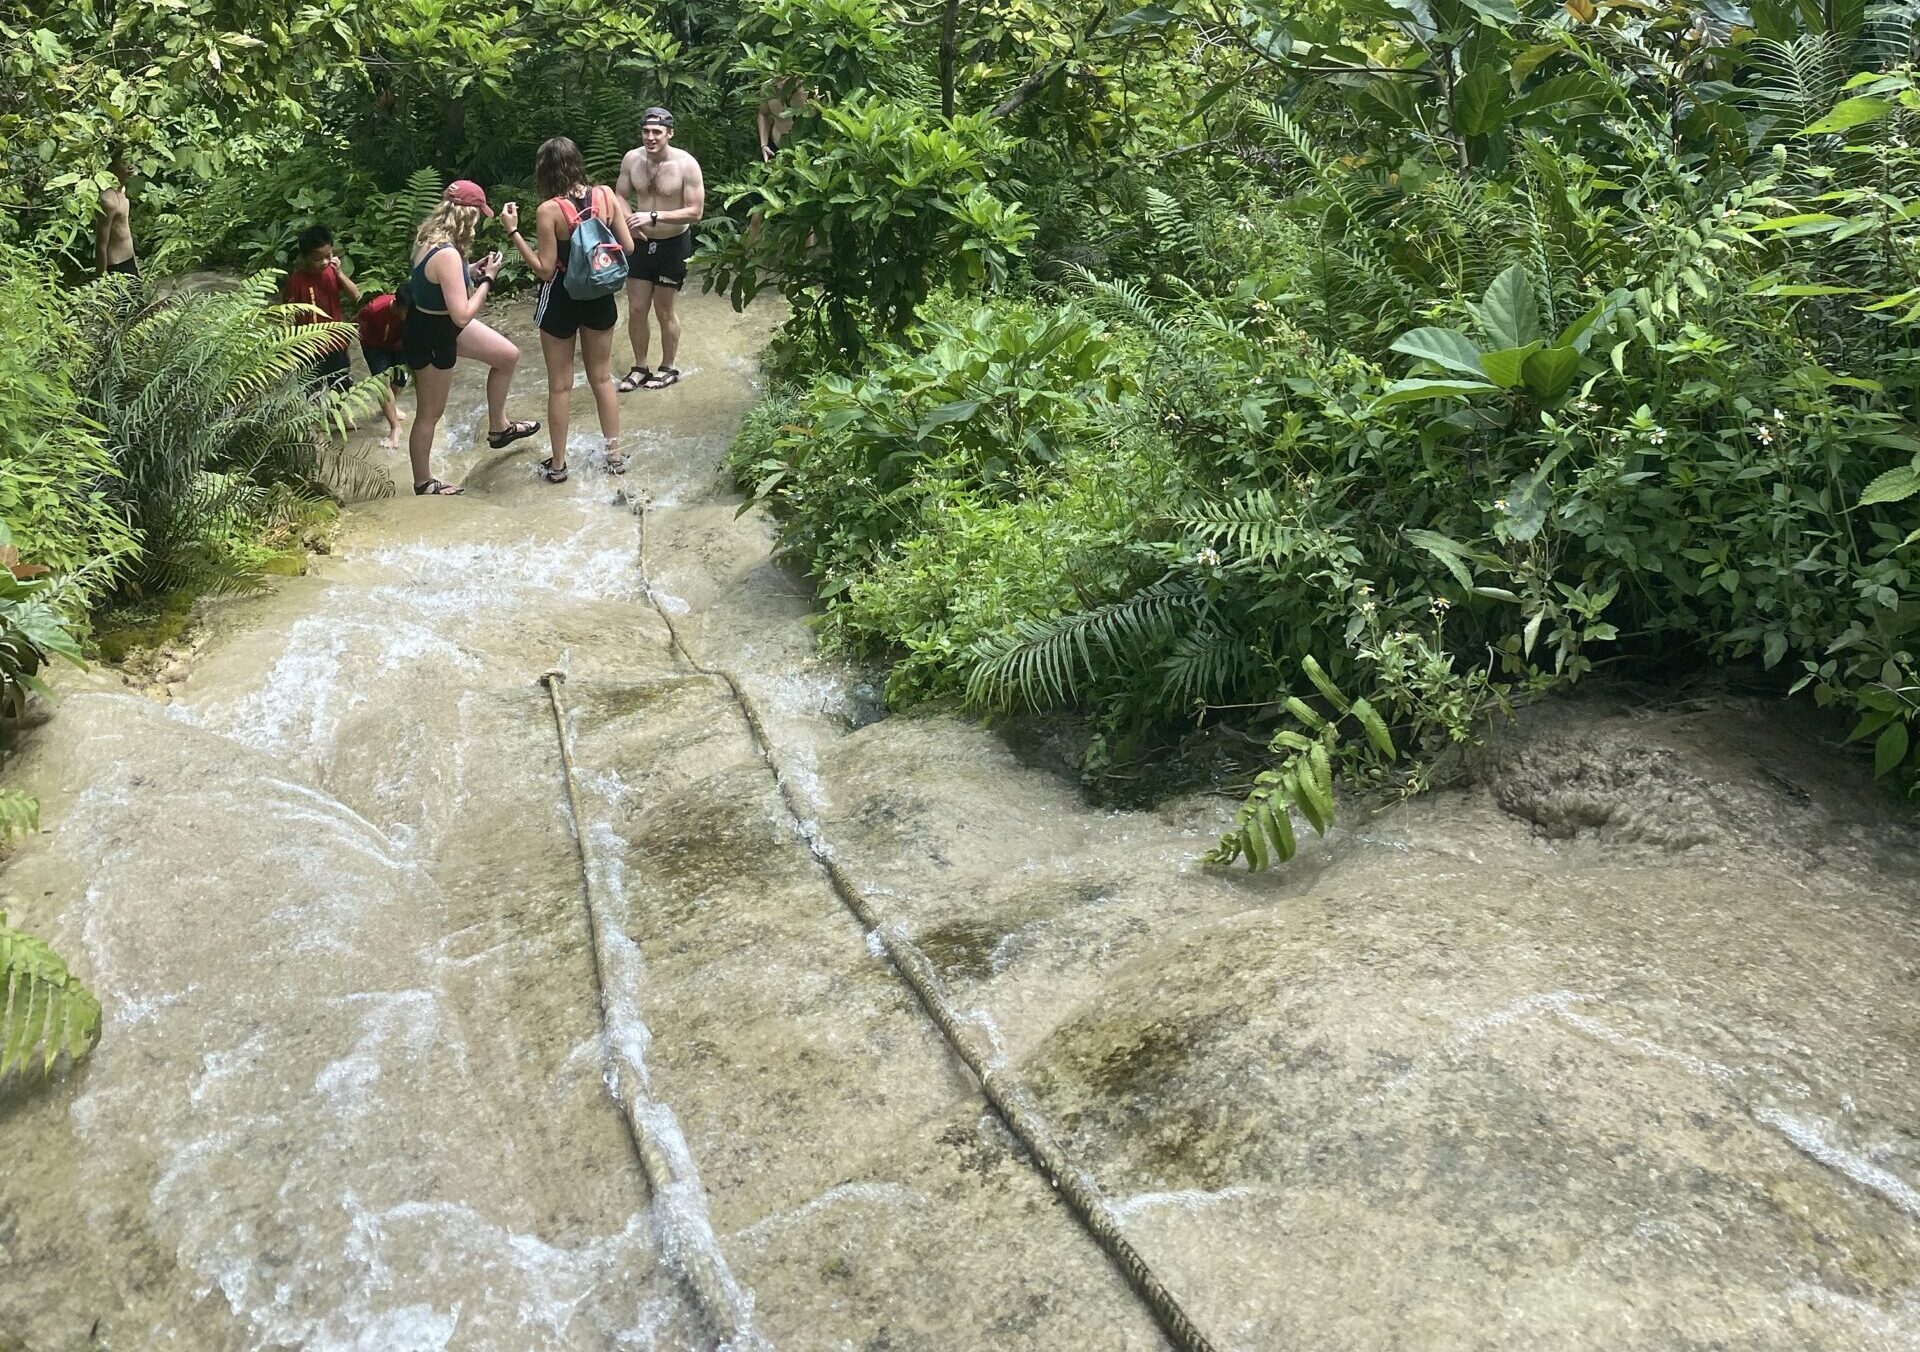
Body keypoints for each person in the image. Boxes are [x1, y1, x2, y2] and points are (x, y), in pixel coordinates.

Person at [503, 137, 638, 482]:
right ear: (578, 163)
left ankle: (559, 465)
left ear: (544, 171)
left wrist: (514, 232)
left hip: (561, 300)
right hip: (599, 297)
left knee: (560, 387)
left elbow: (545, 270)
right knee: (603, 379)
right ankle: (615, 457)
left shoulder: (549, 210)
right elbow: (629, 246)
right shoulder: (606, 196)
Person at [402, 181, 539, 496]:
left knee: (507, 355)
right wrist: (488, 280)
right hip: (433, 332)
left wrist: (472, 270)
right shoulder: (447, 253)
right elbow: (462, 315)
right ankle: (423, 482)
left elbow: (441, 277)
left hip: (438, 320)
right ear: (467, 215)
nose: (480, 221)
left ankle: (499, 427)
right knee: (429, 413)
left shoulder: (429, 235)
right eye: (479, 214)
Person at [614, 107, 705, 392]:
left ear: (670, 133)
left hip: (673, 244)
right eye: (646, 132)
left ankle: (668, 367)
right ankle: (640, 366)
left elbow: (696, 212)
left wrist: (654, 217)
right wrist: (629, 221)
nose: (650, 138)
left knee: (664, 309)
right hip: (640, 244)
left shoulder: (686, 165)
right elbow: (619, 195)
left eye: (657, 132)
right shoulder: (632, 159)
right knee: (637, 308)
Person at [283, 224, 360, 393]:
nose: (325, 262)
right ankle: (318, 419)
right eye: (318, 259)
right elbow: (287, 316)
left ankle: (338, 417)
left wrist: (340, 274)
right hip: (308, 348)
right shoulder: (296, 282)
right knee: (311, 391)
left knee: (342, 388)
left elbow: (356, 296)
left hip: (336, 343)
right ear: (305, 257)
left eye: (329, 256)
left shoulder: (333, 272)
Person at [355, 284, 412, 448]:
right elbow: (355, 327)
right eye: (408, 312)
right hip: (375, 346)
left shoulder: (414, 311)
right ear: (398, 304)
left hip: (400, 344)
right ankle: (395, 427)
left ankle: (390, 408)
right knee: (382, 384)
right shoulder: (374, 310)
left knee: (399, 381)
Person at [96, 155, 138, 278]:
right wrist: (102, 279)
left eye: (131, 161)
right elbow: (101, 244)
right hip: (116, 266)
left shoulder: (123, 190)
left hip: (129, 261)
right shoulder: (108, 201)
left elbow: (126, 231)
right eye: (123, 162)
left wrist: (135, 265)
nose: (130, 167)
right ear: (111, 167)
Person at [757, 78, 810, 161]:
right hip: (775, 147)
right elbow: (763, 114)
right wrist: (764, 145)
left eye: (784, 78)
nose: (779, 84)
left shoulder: (810, 90)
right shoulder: (768, 88)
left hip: (807, 148)